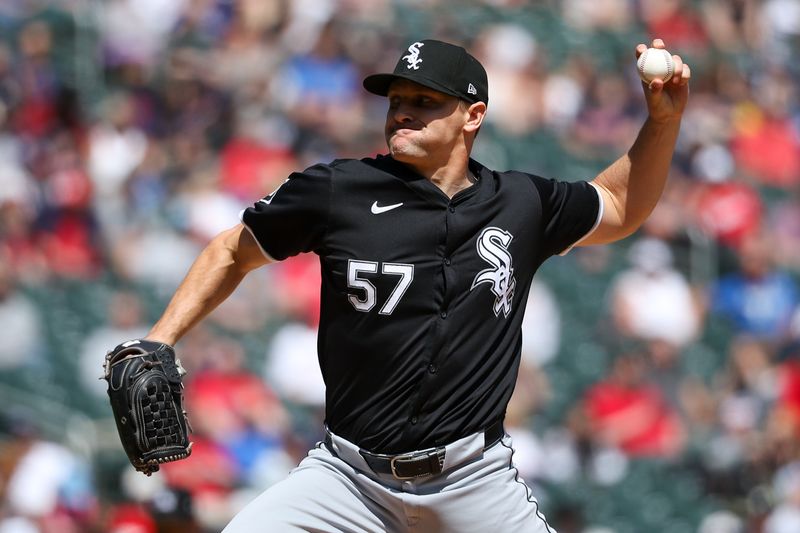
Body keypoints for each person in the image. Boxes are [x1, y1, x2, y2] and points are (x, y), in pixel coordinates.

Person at [129, 38, 691, 532]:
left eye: (425, 103)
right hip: (347, 478)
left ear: (472, 116)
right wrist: (161, 337)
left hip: (473, 479)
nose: (402, 113)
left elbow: (618, 203)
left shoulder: (520, 202)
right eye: (396, 100)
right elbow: (233, 249)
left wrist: (662, 124)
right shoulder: (339, 191)